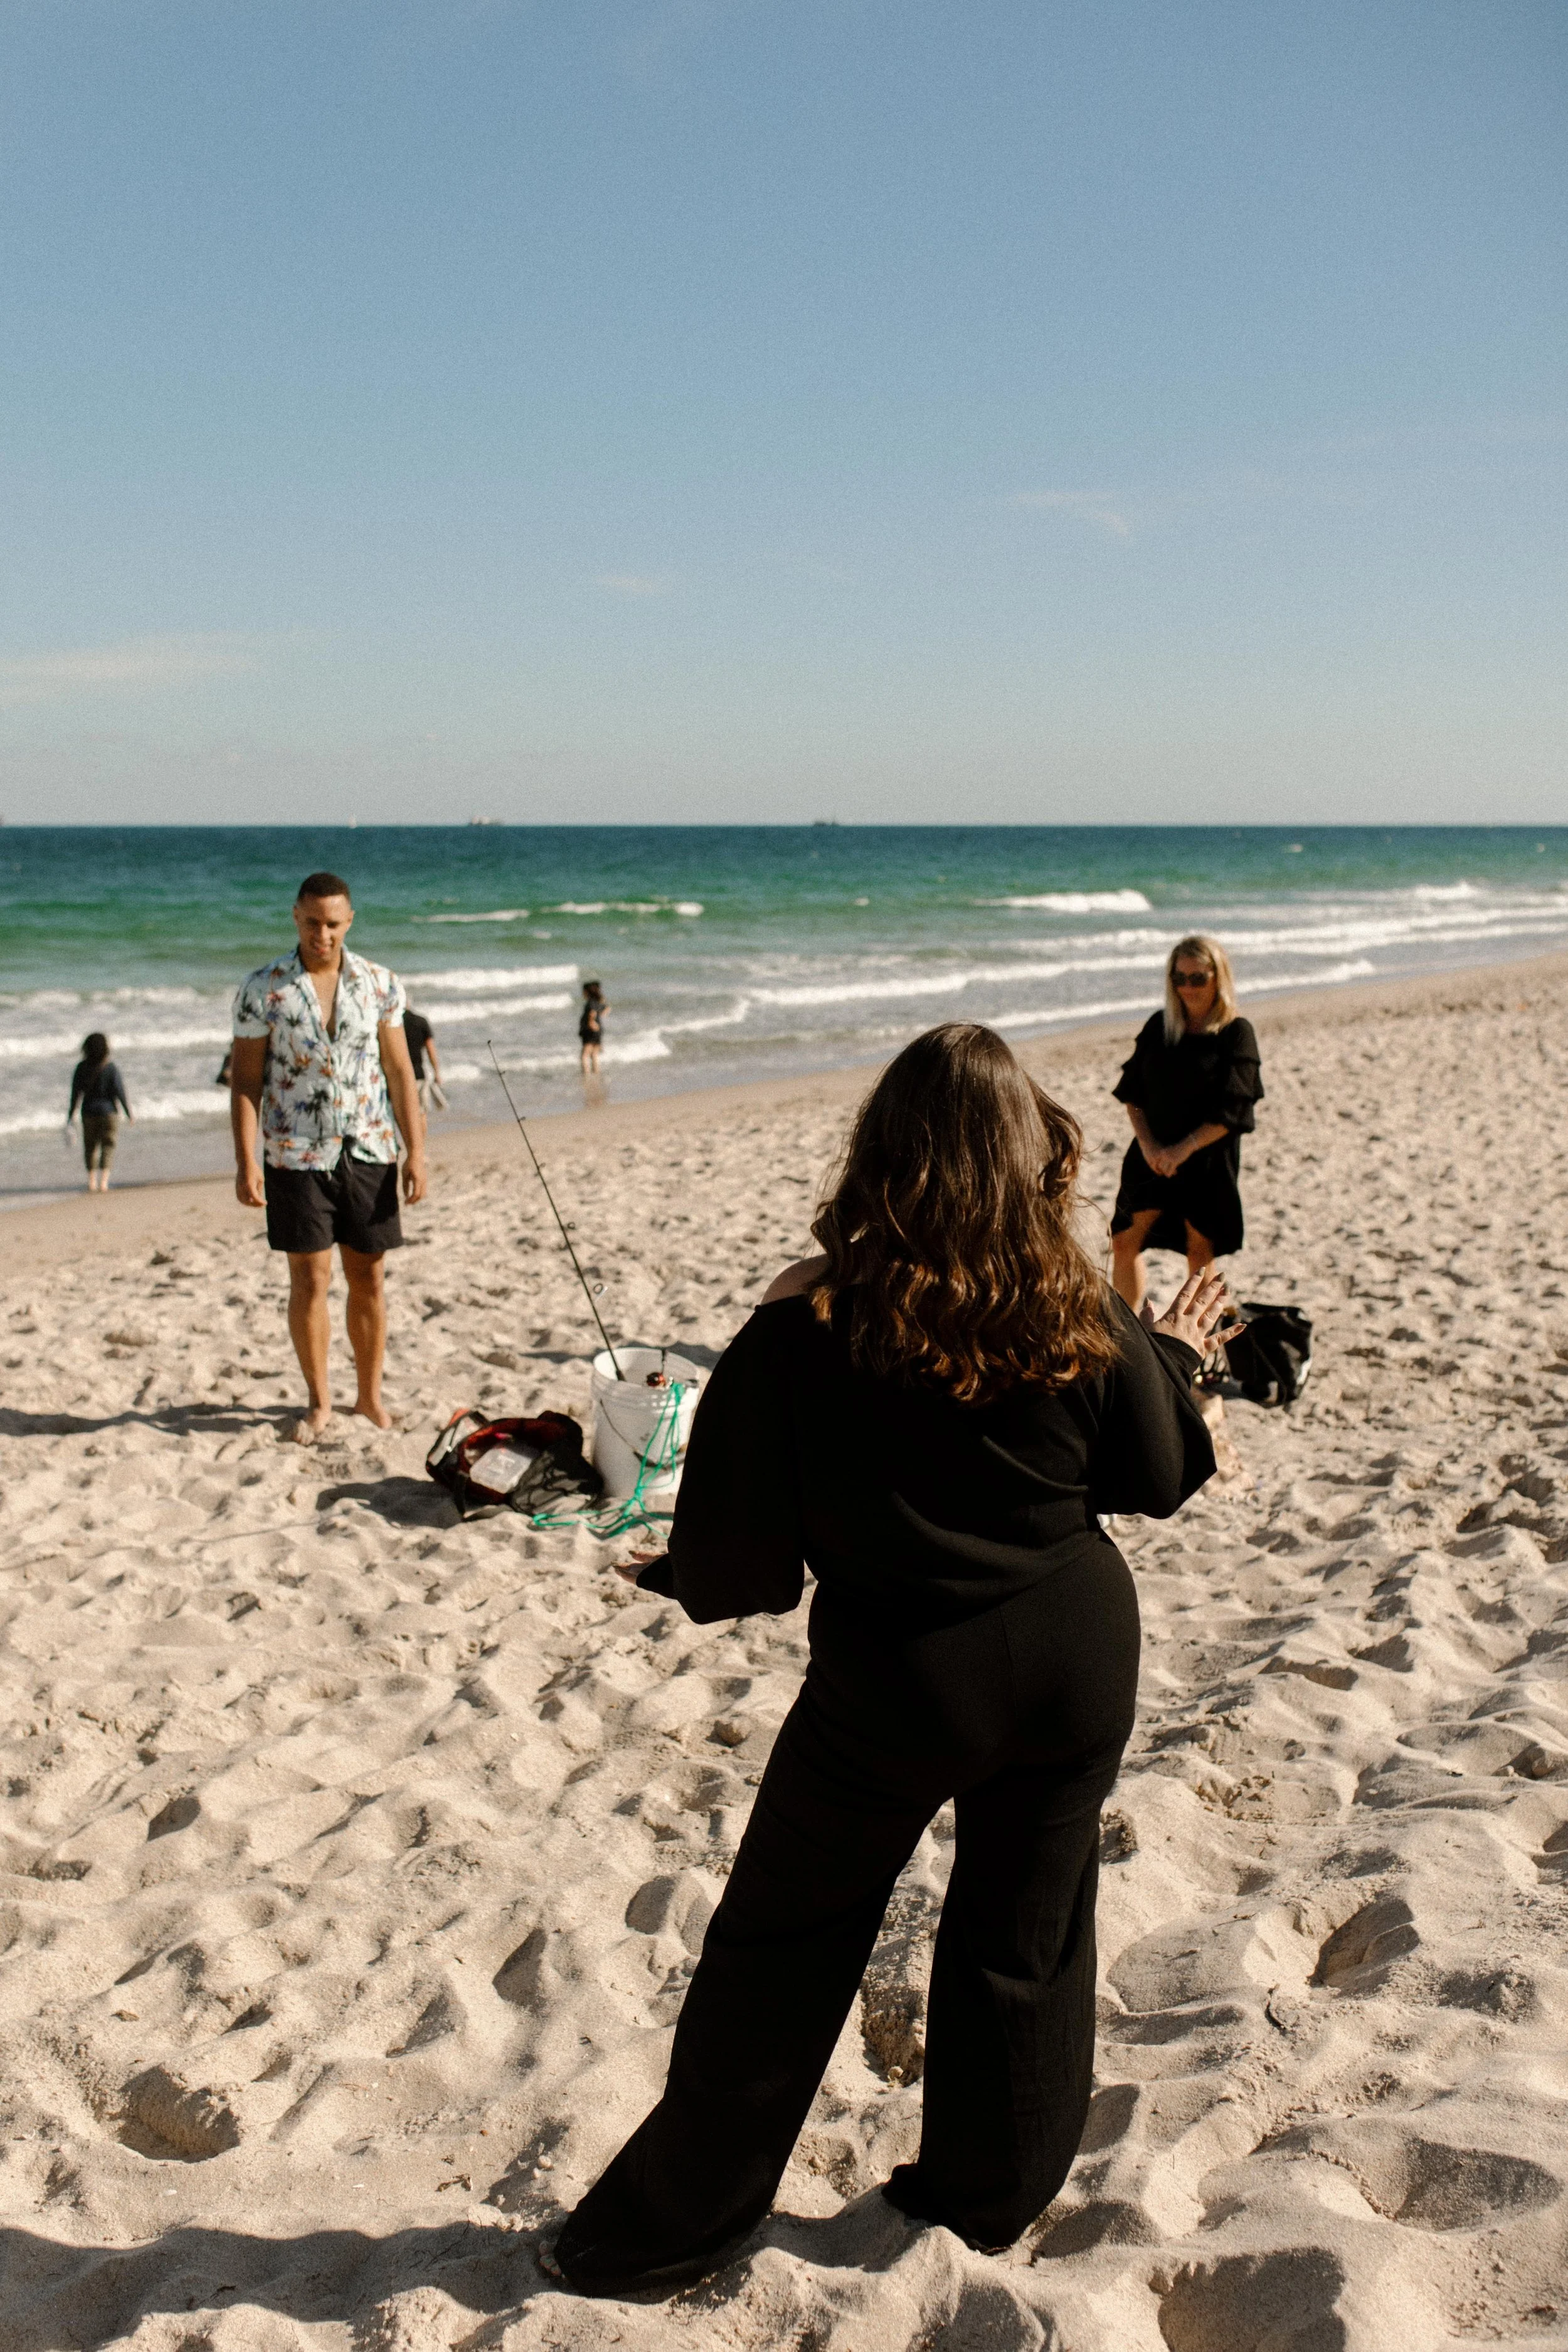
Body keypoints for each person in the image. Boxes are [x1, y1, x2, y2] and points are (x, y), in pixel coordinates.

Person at [549, 1022, 1229, 2296]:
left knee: (781, 1943)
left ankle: (672, 2227)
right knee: (1020, 1938)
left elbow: (746, 1554)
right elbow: (1153, 1473)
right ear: (1026, 1150)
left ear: (885, 1155)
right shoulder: (1073, 1294)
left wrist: (683, 1571)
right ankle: (984, 2200)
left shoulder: (807, 1313)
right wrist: (1177, 1358)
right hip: (1074, 1655)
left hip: (902, 1679)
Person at [229, 871, 426, 1444]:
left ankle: (369, 1398)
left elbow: (400, 1073)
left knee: (369, 1277)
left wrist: (418, 1153)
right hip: (294, 1154)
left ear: (350, 922)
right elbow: (245, 1082)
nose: (323, 935)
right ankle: (320, 1401)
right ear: (295, 916)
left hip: (369, 1147)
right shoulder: (263, 990)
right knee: (309, 1279)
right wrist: (246, 1162)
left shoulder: (380, 984)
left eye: (334, 924)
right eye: (313, 923)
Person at [1109, 935, 1263, 1316]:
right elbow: (1133, 1094)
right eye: (1180, 978)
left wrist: (1183, 1149)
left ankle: (1196, 1343)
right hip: (1151, 1153)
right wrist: (1149, 1148)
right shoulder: (1161, 1027)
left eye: (1198, 978)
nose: (1188, 987)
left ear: (1218, 977)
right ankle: (1133, 1335)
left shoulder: (1235, 1033)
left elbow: (1235, 1109)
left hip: (1206, 1161)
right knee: (1123, 1241)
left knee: (1199, 1255)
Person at [67, 1032, 133, 1192]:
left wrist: (71, 1116)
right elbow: (119, 1092)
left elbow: (75, 1094)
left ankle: (91, 1181)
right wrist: (128, 1113)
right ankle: (103, 1182)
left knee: (90, 1147)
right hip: (109, 1113)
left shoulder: (81, 1068)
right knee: (108, 1146)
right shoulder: (110, 1068)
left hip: (88, 1113)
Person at [403, 1006, 447, 1116]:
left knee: (405, 1114)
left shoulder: (394, 1024)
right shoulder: (421, 1021)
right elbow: (431, 1050)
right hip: (418, 1074)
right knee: (420, 1113)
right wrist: (437, 1072)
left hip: (400, 1076)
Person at [578, 980, 608, 1075]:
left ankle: (586, 1075)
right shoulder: (598, 1002)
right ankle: (596, 1073)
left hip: (590, 1031)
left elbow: (592, 1013)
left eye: (583, 991)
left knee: (584, 1055)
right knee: (594, 1055)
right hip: (597, 1031)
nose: (582, 993)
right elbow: (607, 1009)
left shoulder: (590, 1003)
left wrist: (591, 1022)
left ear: (587, 992)